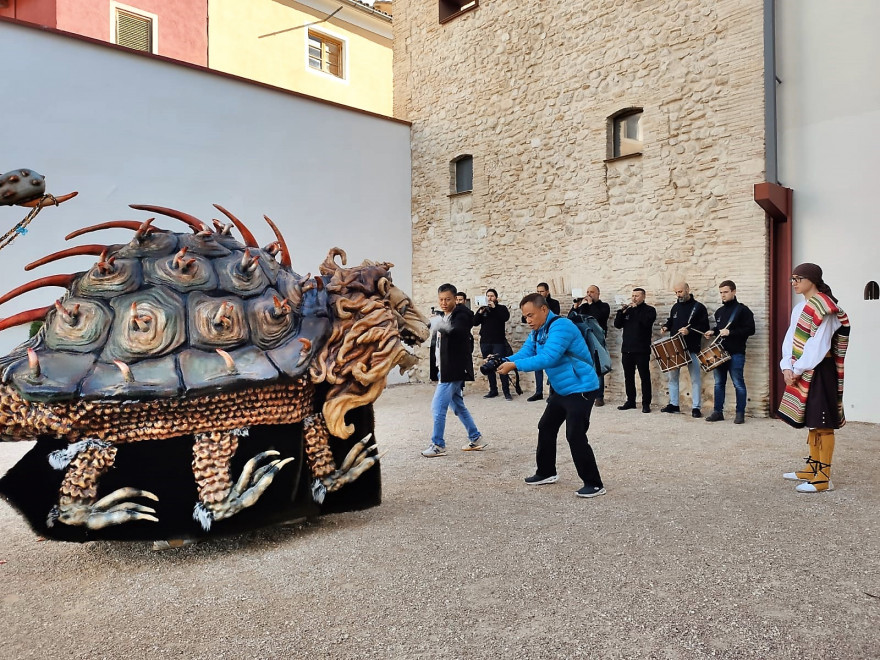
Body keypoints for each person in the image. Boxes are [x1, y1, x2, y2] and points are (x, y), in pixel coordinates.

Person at [497, 293, 605, 498]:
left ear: (544, 310)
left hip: (581, 387)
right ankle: (546, 472)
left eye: (530, 315)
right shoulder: (538, 331)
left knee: (575, 434)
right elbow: (525, 353)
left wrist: (514, 366)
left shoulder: (561, 326)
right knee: (546, 426)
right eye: (525, 316)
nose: (528, 320)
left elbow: (549, 358)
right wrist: (502, 360)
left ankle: (595, 483)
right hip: (562, 389)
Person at [778, 263, 850, 493]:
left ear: (812, 279)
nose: (794, 283)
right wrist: (786, 365)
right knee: (811, 420)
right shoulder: (800, 308)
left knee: (823, 422)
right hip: (803, 367)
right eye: (792, 279)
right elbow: (790, 338)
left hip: (821, 369)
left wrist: (797, 369)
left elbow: (819, 345)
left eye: (798, 278)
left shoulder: (825, 307)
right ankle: (812, 468)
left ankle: (824, 478)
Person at [422, 283, 485, 457]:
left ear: (455, 299)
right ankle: (476, 437)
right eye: (441, 299)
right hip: (445, 368)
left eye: (447, 299)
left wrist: (437, 324)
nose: (443, 302)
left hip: (453, 369)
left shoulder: (462, 315)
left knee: (437, 407)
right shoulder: (445, 316)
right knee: (458, 406)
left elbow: (457, 332)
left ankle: (438, 444)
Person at [703, 280, 756, 424]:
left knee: (738, 383)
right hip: (719, 353)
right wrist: (712, 331)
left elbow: (751, 330)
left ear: (734, 291)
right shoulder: (719, 312)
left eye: (726, 292)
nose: (723, 295)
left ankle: (740, 413)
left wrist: (730, 332)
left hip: (736, 352)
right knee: (718, 383)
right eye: (721, 293)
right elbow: (720, 328)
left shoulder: (743, 310)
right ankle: (717, 412)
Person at [659, 282, 709, 417]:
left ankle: (696, 407)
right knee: (673, 378)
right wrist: (666, 326)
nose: (678, 295)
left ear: (687, 290)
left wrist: (689, 331)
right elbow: (671, 321)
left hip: (692, 348)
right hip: (676, 348)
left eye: (680, 292)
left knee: (695, 379)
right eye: (676, 292)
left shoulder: (699, 307)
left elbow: (704, 327)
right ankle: (674, 404)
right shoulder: (675, 307)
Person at [613, 288, 656, 413]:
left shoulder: (649, 310)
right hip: (627, 349)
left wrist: (635, 309)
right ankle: (630, 401)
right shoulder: (627, 311)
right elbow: (617, 325)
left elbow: (646, 323)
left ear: (643, 296)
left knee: (644, 377)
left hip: (642, 349)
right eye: (632, 295)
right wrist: (621, 311)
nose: (634, 298)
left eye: (637, 296)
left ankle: (646, 403)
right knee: (628, 377)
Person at [568, 284, 610, 406]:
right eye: (587, 291)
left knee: (598, 366)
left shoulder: (604, 306)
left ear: (598, 294)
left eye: (592, 292)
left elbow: (598, 317)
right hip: (583, 340)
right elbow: (570, 319)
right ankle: (584, 392)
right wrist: (575, 307)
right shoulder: (583, 307)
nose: (589, 294)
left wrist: (591, 304)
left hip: (597, 340)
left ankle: (599, 396)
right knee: (583, 365)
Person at [473, 288, 513, 400]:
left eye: (492, 296)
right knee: (489, 366)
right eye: (488, 296)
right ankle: (493, 390)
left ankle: (506, 392)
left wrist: (494, 309)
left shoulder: (501, 308)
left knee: (501, 365)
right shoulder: (483, 309)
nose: (490, 298)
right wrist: (480, 312)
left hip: (498, 342)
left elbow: (505, 318)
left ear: (496, 297)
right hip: (485, 342)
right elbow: (474, 323)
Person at [523, 282, 560, 401]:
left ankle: (552, 394)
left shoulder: (554, 303)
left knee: (551, 364)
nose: (539, 293)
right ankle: (538, 392)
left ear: (547, 292)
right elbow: (523, 319)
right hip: (538, 337)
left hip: (550, 338)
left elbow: (554, 316)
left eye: (541, 291)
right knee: (537, 366)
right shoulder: (533, 305)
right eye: (537, 291)